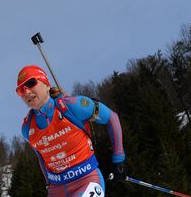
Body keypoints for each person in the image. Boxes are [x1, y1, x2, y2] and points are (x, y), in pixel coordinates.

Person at [16, 65, 126, 197]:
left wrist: (118, 160)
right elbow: (41, 156)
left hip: (87, 180)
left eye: (31, 83)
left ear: (46, 84)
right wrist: (48, 183)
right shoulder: (27, 128)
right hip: (57, 189)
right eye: (21, 90)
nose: (27, 91)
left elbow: (111, 118)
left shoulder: (72, 106)